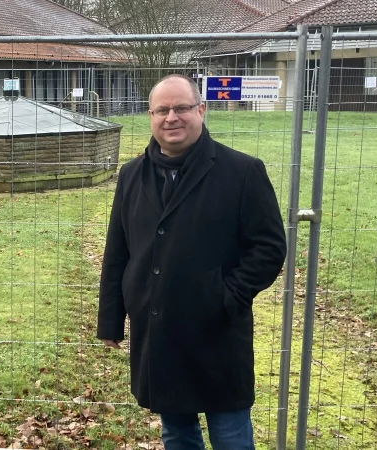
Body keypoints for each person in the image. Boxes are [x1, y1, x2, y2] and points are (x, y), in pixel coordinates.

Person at [97, 74, 286, 449]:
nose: (172, 118)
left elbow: (268, 248)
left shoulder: (242, 172)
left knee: (230, 434)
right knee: (177, 434)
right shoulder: (132, 175)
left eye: (181, 108)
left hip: (217, 330)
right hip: (160, 330)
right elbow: (117, 251)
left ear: (201, 110)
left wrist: (226, 295)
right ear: (150, 116)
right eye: (162, 110)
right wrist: (111, 321)